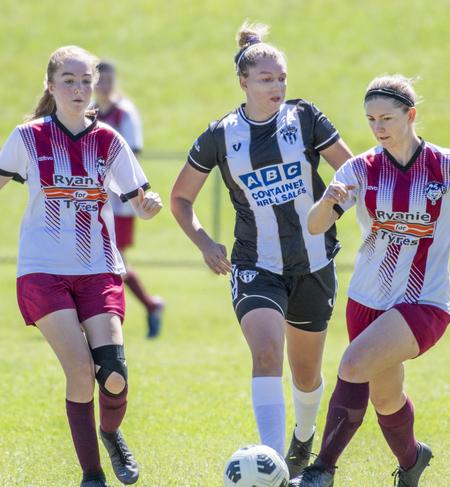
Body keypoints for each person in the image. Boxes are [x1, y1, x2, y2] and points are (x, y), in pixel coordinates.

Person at [290, 75, 450, 487]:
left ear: (411, 115)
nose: (378, 128)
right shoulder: (360, 169)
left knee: (352, 365)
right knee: (384, 398)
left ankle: (321, 470)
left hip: (423, 302)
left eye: (387, 118)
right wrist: (328, 200)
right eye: (371, 120)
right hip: (366, 302)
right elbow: (315, 226)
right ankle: (412, 460)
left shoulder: (448, 165)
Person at [169, 22, 353, 477]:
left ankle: (303, 440)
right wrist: (204, 242)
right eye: (267, 79)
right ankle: (274, 467)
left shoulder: (305, 118)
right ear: (244, 82)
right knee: (267, 352)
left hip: (314, 263)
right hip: (255, 264)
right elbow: (180, 198)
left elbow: (352, 171)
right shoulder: (220, 135)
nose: (277, 86)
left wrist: (333, 205)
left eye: (282, 78)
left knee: (306, 374)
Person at [0, 45, 162, 487]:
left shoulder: (110, 140)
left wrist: (149, 206)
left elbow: (139, 199)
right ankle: (92, 476)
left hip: (98, 270)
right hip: (42, 272)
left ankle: (110, 434)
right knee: (79, 372)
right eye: (68, 80)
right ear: (50, 87)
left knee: (113, 377)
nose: (78, 88)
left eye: (85, 81)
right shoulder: (27, 137)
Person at [94, 60, 164, 338]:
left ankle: (147, 306)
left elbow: (131, 156)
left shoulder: (124, 113)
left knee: (115, 261)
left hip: (120, 203)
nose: (103, 85)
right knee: (108, 260)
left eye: (108, 79)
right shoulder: (89, 112)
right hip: (94, 200)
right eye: (98, 80)